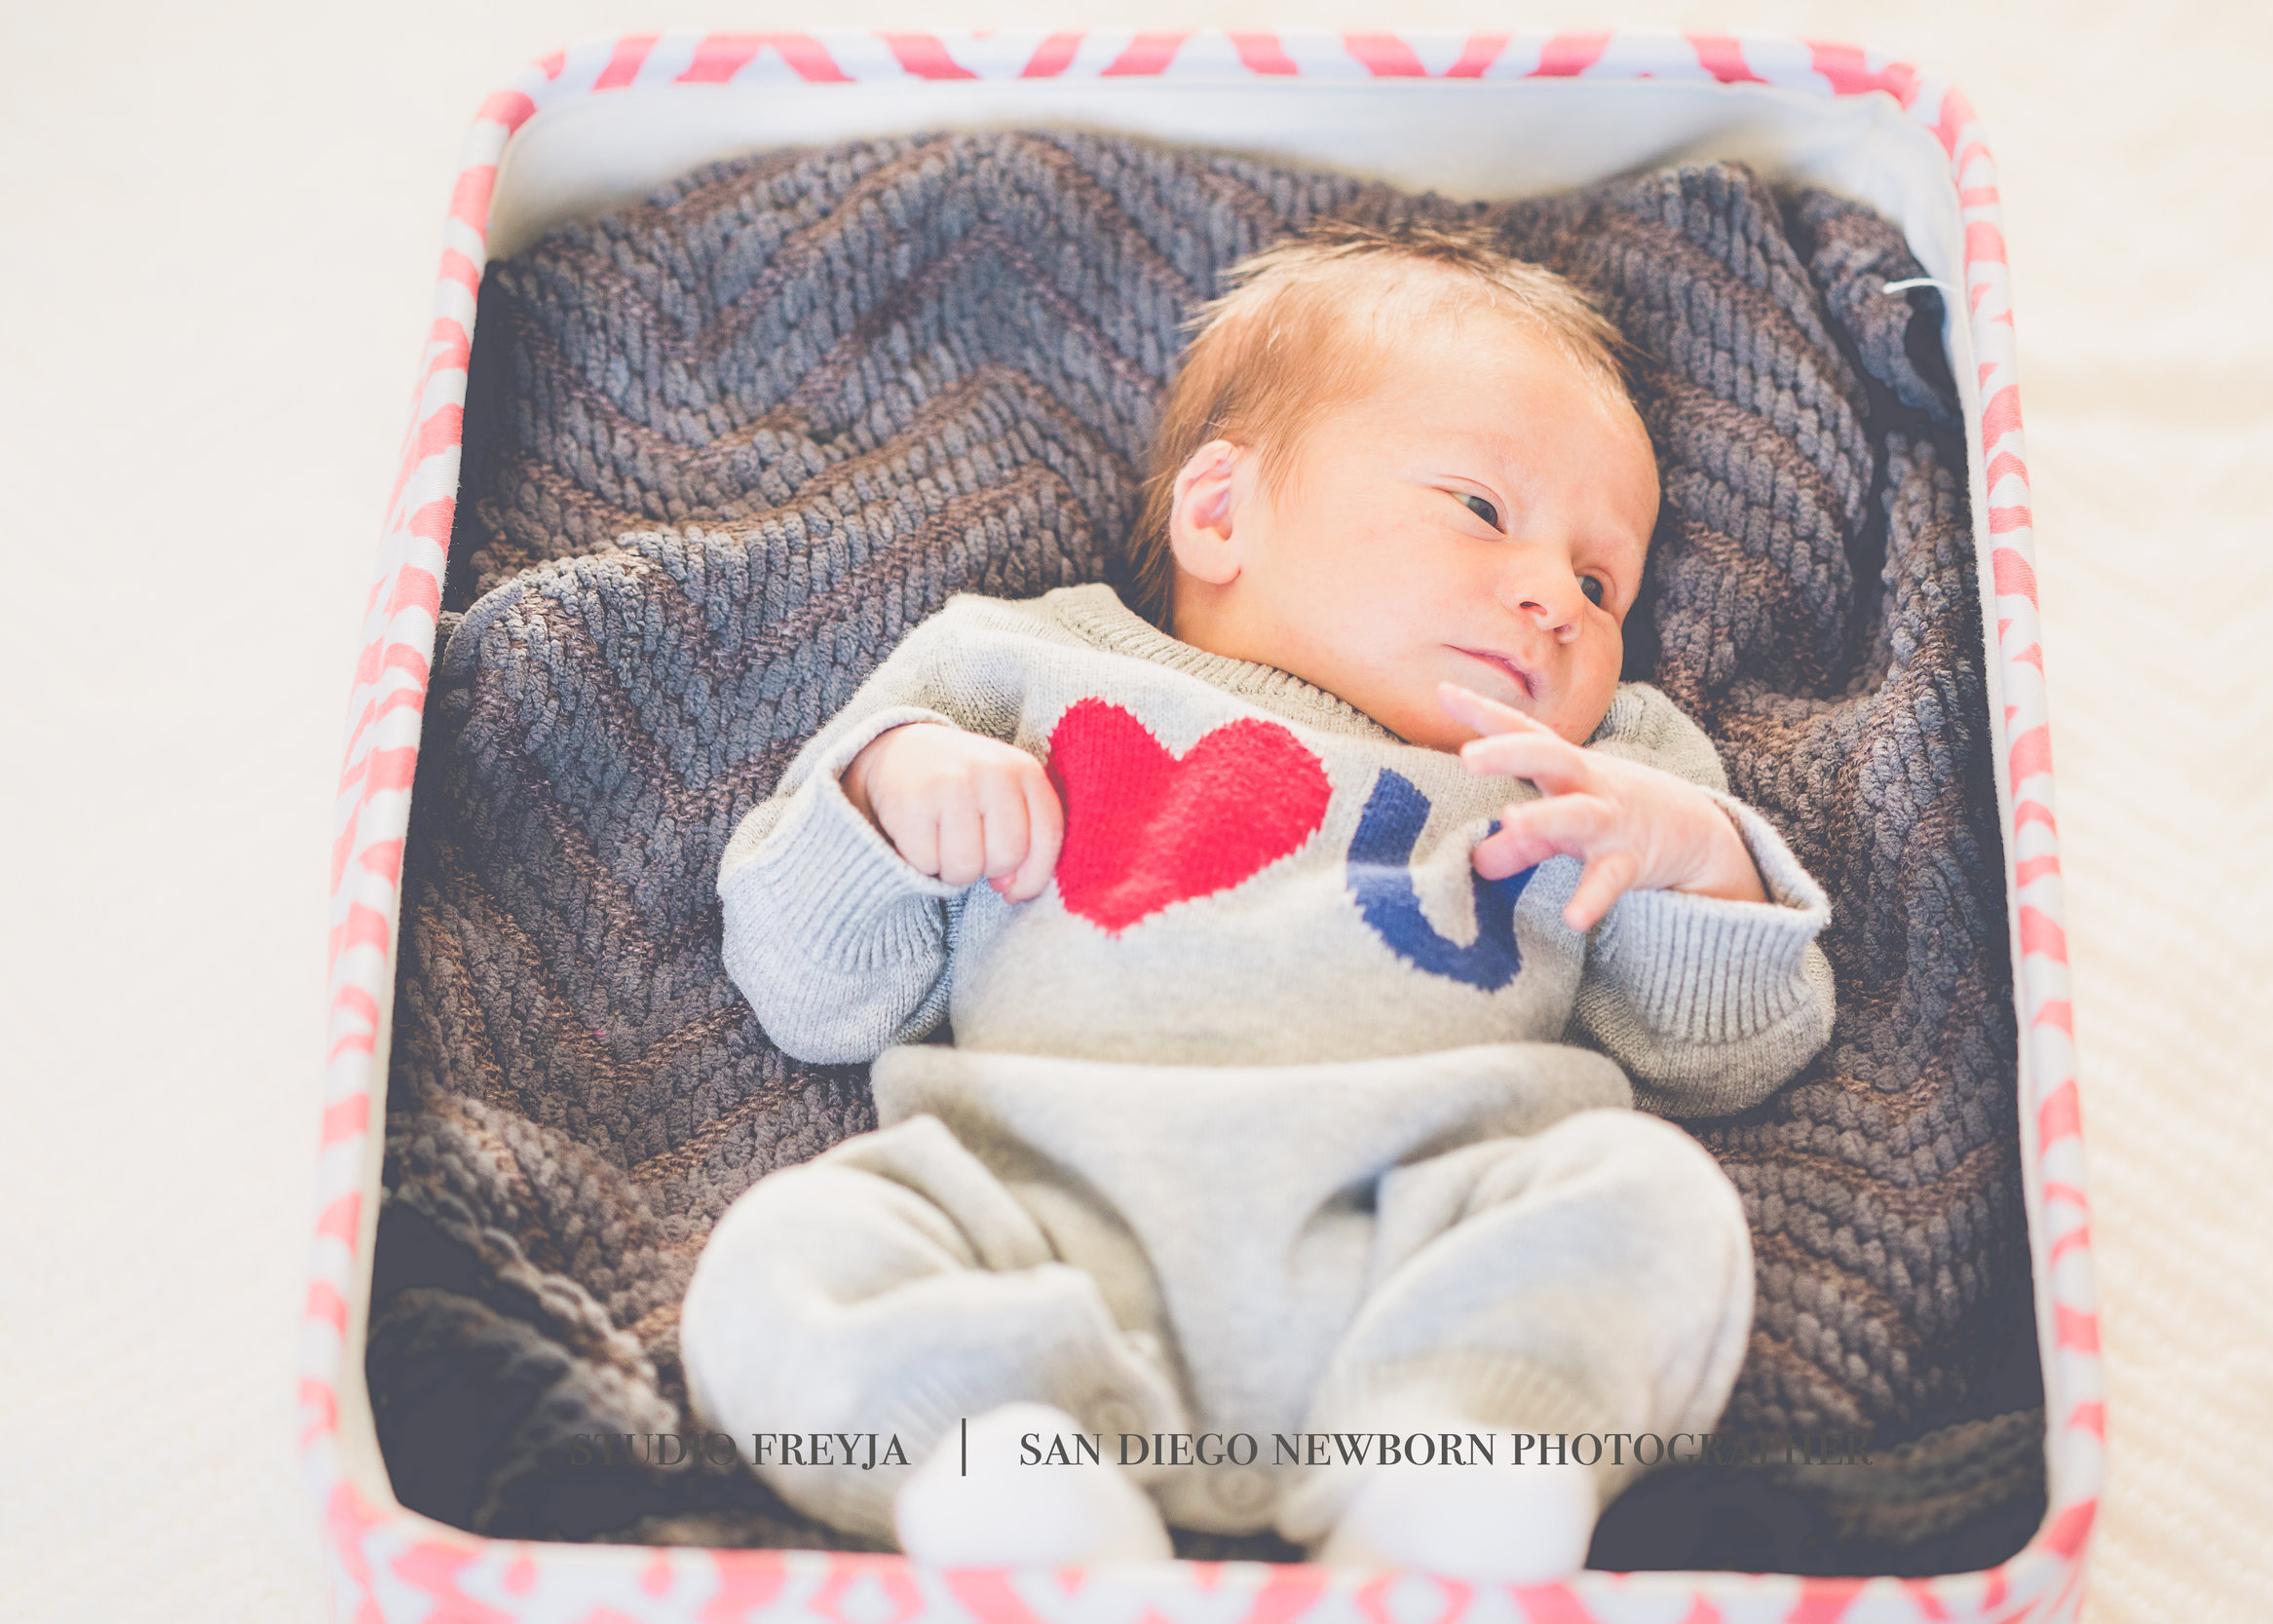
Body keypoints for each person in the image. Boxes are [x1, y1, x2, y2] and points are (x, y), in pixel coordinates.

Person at [681, 222, 1835, 1579]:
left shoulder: (1594, 774)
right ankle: (1015, 1483)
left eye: (1601, 580)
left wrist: (1697, 858)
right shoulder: (1017, 664)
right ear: (1221, 513)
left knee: (1650, 1198)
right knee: (790, 1254)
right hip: (1037, 1214)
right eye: (1481, 508)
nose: (1553, 600)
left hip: (1422, 1231)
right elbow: (814, 994)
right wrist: (892, 803)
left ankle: (1459, 1479)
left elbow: (1727, 1057)